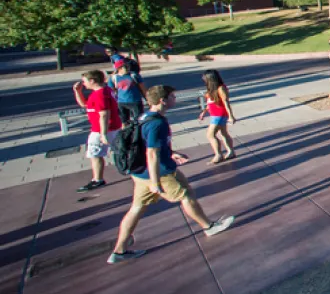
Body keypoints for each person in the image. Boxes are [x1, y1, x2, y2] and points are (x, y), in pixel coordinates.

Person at [107, 85, 235, 264]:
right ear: (163, 100)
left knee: (137, 208)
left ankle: (119, 250)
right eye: (173, 96)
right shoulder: (157, 123)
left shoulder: (145, 117)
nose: (175, 99)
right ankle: (208, 226)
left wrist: (171, 153)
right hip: (160, 172)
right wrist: (155, 182)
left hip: (140, 172)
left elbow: (148, 144)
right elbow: (152, 152)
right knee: (186, 195)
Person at [72, 70, 123, 192]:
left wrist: (103, 134)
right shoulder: (103, 91)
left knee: (95, 154)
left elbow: (104, 114)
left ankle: (97, 179)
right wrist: (78, 92)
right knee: (118, 151)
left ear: (92, 81)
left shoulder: (100, 94)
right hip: (110, 127)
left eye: (85, 82)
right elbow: (85, 105)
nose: (83, 84)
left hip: (101, 129)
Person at [198, 70, 236, 164]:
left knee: (210, 135)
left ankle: (218, 155)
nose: (204, 80)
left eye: (205, 78)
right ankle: (231, 151)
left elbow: (226, 102)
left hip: (220, 114)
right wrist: (204, 112)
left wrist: (231, 116)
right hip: (215, 114)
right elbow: (210, 102)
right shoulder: (212, 89)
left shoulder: (220, 88)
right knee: (224, 133)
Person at [113, 59, 147, 124]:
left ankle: (138, 133)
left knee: (139, 121)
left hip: (135, 101)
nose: (126, 68)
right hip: (121, 102)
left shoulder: (134, 75)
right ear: (118, 68)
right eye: (123, 67)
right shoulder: (114, 77)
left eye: (126, 66)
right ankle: (125, 133)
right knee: (124, 122)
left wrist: (148, 99)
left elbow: (143, 88)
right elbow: (112, 90)